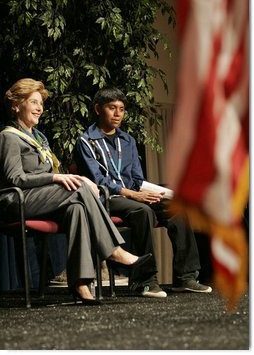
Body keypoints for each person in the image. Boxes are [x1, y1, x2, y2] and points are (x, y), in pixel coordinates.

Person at [0, 79, 152, 305]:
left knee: (77, 209)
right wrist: (59, 177)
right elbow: (15, 178)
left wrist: (65, 178)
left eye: (40, 103)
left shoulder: (40, 138)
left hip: (44, 199)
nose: (39, 108)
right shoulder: (9, 136)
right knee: (80, 185)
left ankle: (81, 285)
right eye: (33, 102)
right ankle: (113, 250)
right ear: (16, 105)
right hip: (17, 200)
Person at [74, 87, 212, 296]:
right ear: (98, 109)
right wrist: (133, 194)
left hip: (134, 195)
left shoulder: (127, 140)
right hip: (107, 199)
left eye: (121, 109)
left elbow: (137, 179)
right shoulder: (86, 141)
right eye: (112, 108)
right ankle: (144, 280)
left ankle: (186, 277)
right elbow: (98, 181)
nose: (118, 113)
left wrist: (158, 192)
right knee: (142, 211)